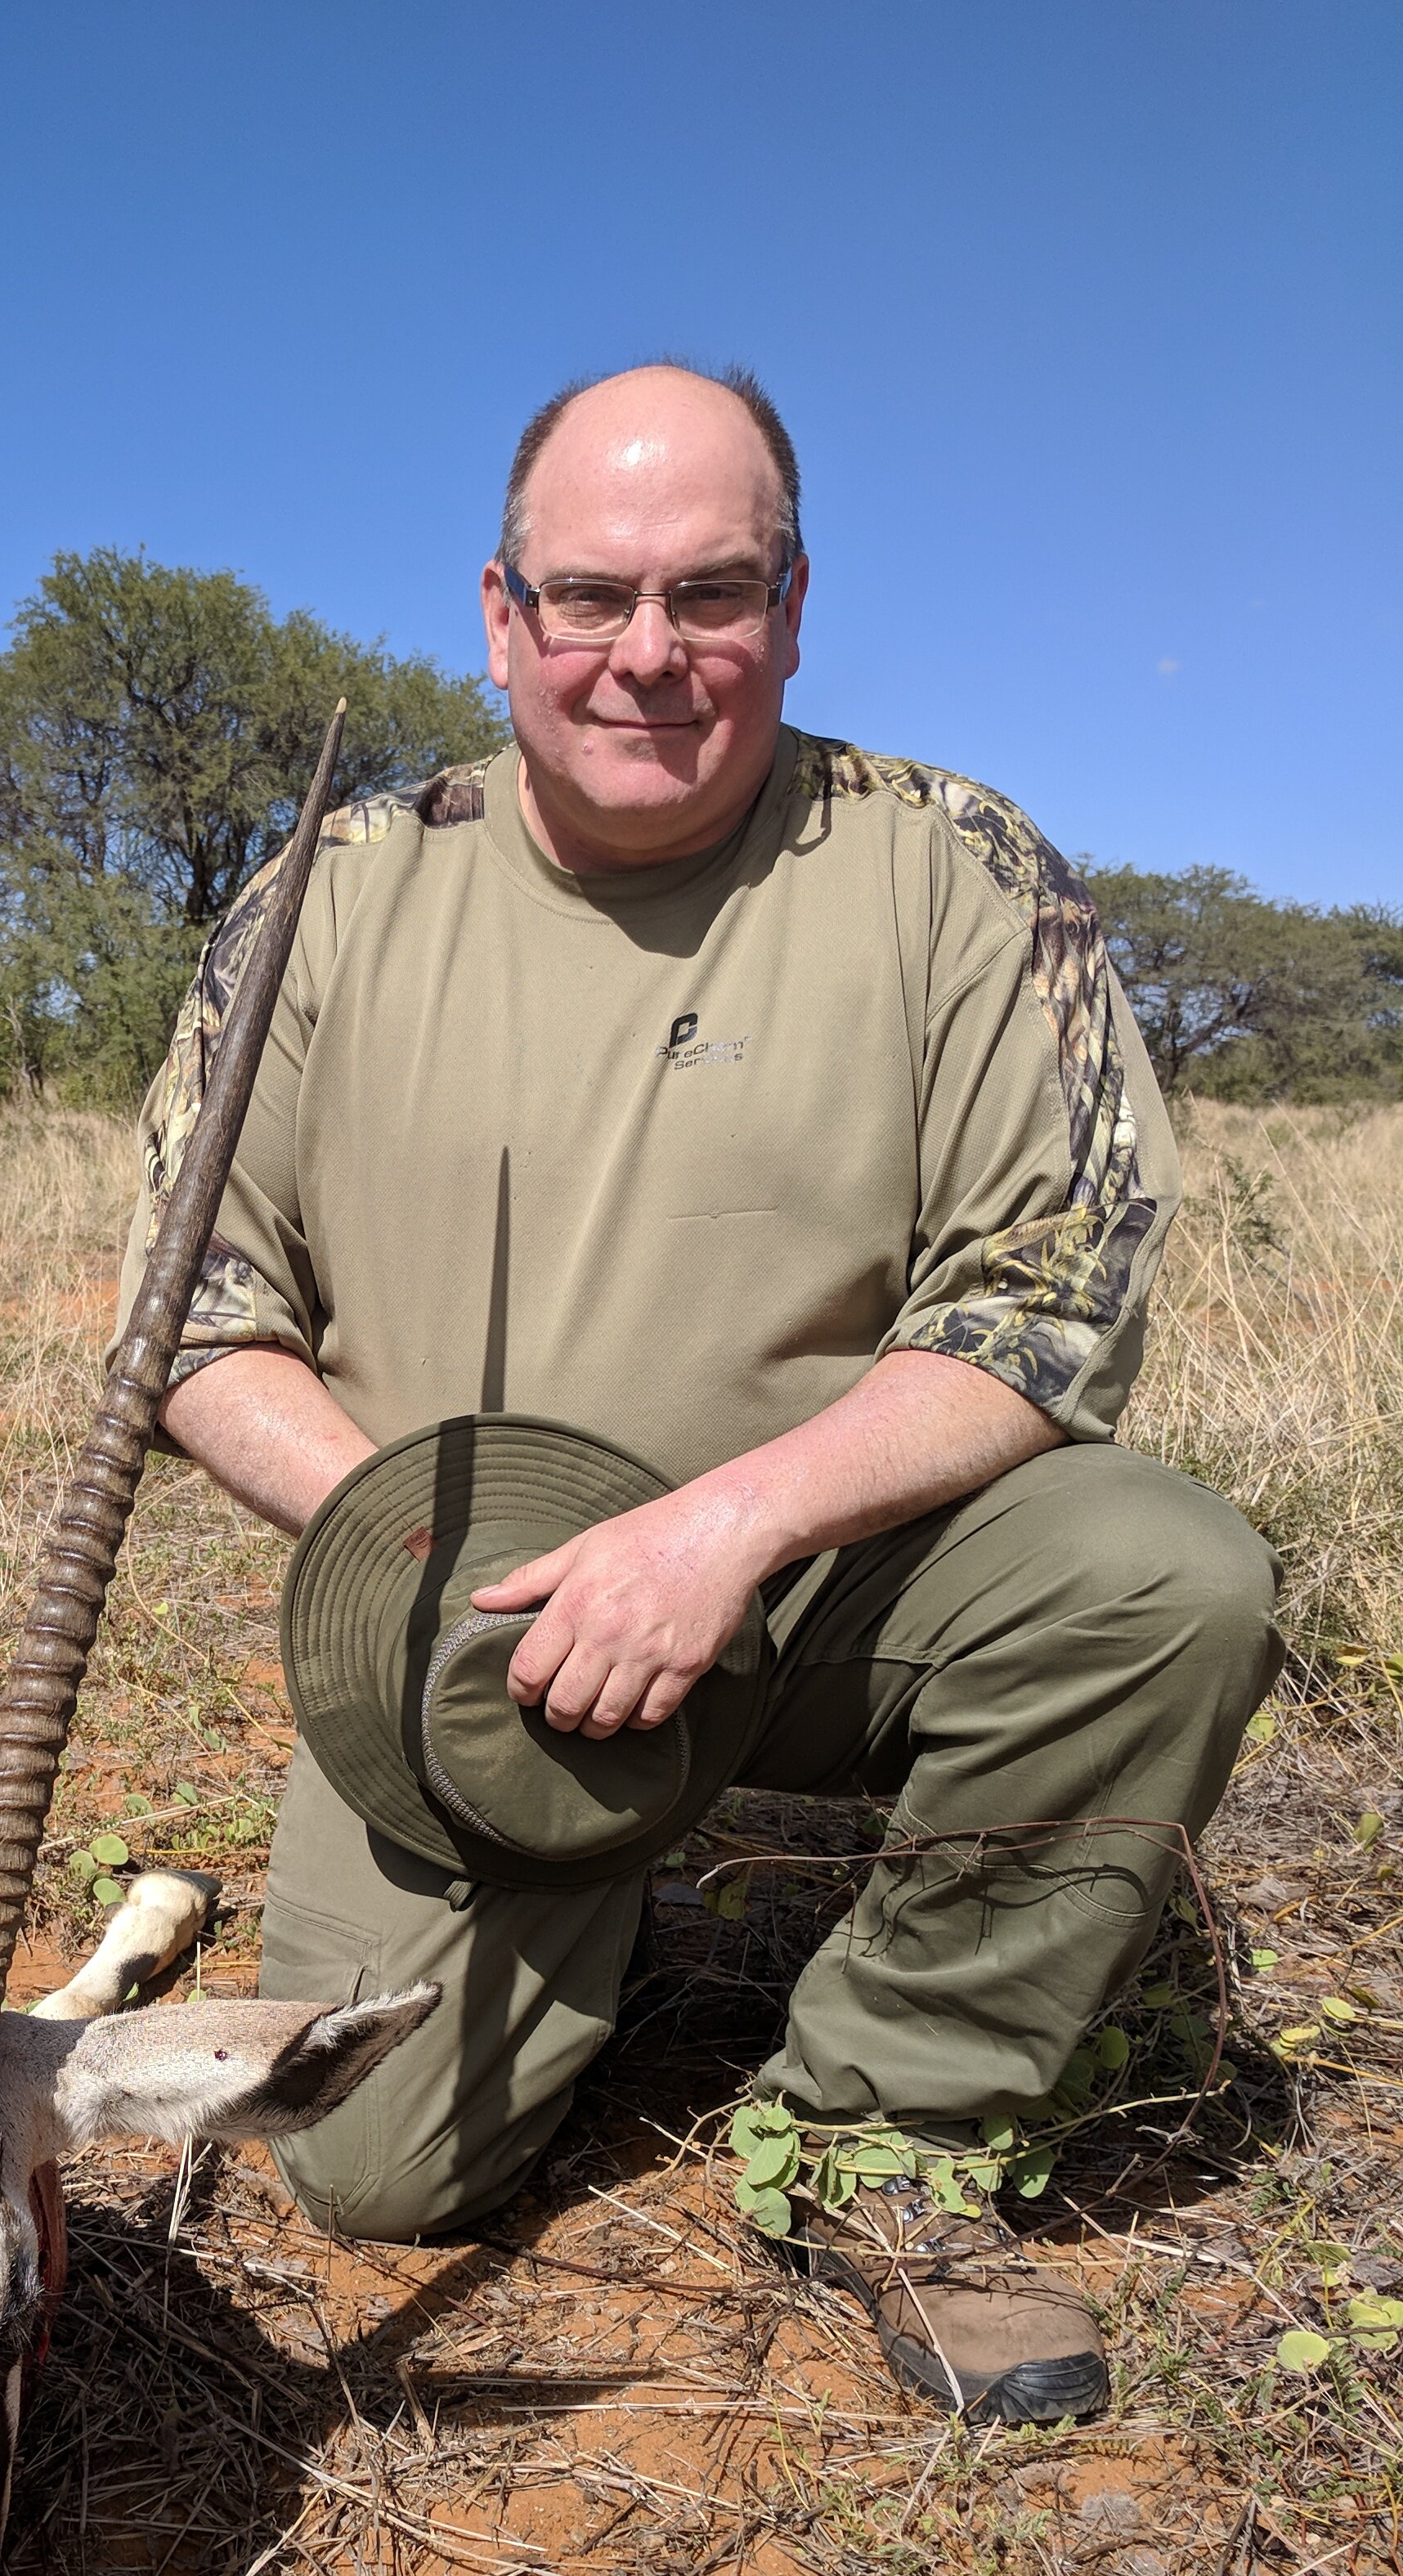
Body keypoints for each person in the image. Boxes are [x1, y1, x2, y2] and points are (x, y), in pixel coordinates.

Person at [115, 361, 1281, 2425]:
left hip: (819, 1583)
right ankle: (608, 1897)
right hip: (467, 1633)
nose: (650, 652)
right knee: (374, 2173)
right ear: (502, 613)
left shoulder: (960, 869)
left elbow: (1054, 1288)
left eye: (714, 593)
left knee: (1161, 1577)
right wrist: (440, 1556)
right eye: (593, 595)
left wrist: (722, 1527)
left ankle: (884, 2133)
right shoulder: (328, 899)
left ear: (797, 602)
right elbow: (188, 1319)